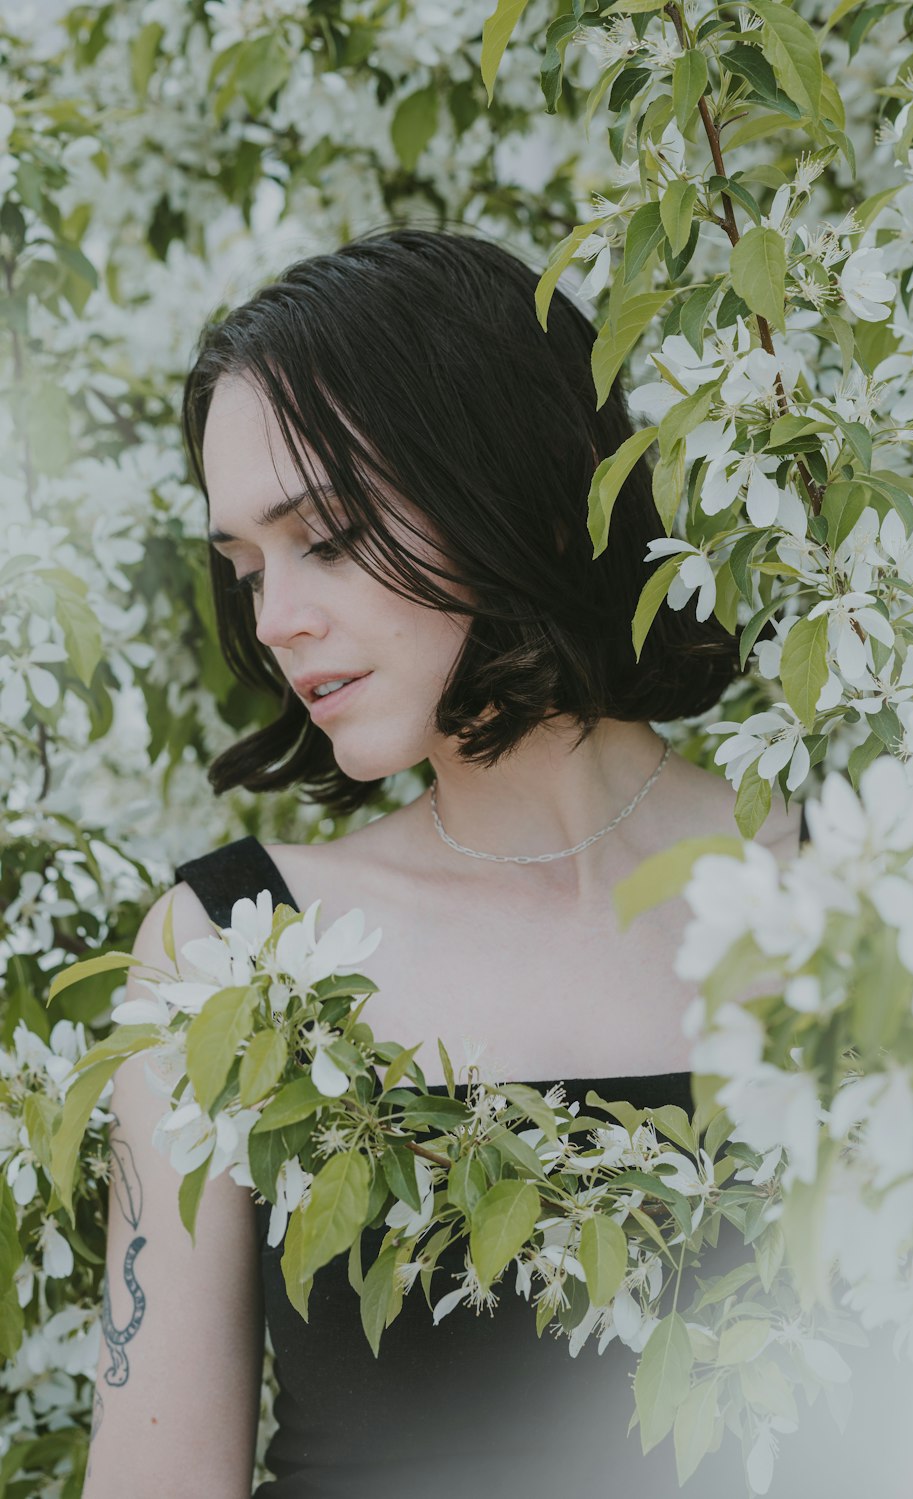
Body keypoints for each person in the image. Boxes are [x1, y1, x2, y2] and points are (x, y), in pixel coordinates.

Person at [82, 226, 806, 1499]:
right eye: (245, 567)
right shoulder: (235, 949)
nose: (275, 619)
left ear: (502, 475)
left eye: (327, 534)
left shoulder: (852, 889)